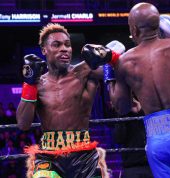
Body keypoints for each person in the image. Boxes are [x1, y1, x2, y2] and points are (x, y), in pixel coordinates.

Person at [81, 2, 170, 178]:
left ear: (134, 29)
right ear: (157, 25)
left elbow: (122, 107)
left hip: (156, 141)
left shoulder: (125, 62)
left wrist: (109, 67)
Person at [16, 23, 107, 178]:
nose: (64, 49)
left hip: (83, 154)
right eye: (56, 45)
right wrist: (29, 84)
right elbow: (23, 124)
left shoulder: (84, 72)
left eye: (67, 45)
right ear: (44, 50)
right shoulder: (37, 84)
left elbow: (122, 66)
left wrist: (107, 54)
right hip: (49, 155)